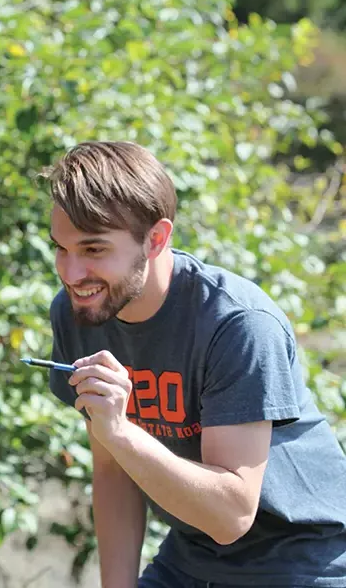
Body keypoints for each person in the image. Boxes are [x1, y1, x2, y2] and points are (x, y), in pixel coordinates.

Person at [42, 141, 346, 587]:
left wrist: (121, 432)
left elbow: (231, 515)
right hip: (192, 556)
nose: (71, 274)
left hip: (305, 560)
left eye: (93, 250)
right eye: (61, 249)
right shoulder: (81, 312)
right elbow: (112, 468)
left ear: (156, 238)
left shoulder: (237, 324)